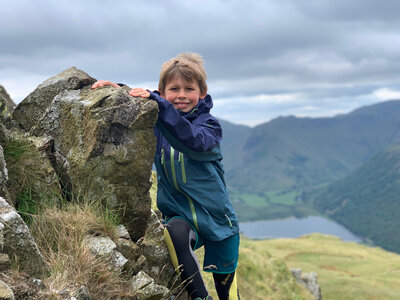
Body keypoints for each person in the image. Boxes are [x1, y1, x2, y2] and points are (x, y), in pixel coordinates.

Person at [92, 52, 240, 300]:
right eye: (174, 88)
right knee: (175, 232)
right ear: (162, 91)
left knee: (229, 294)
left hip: (218, 221)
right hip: (182, 217)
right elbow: (141, 106)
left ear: (202, 93)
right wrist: (120, 92)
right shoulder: (158, 120)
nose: (181, 94)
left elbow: (192, 141)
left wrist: (161, 105)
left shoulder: (210, 127)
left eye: (189, 88)